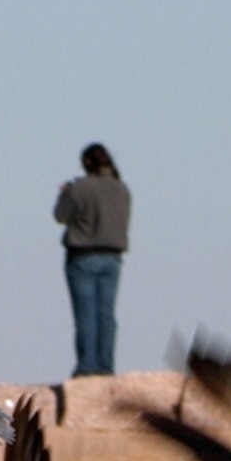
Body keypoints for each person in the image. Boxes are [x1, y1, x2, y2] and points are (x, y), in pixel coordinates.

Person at [54, 144, 130, 377]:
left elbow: (60, 216)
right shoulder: (121, 189)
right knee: (106, 314)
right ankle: (105, 365)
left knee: (86, 314)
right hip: (111, 256)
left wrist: (66, 193)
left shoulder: (80, 188)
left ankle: (87, 366)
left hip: (83, 256)